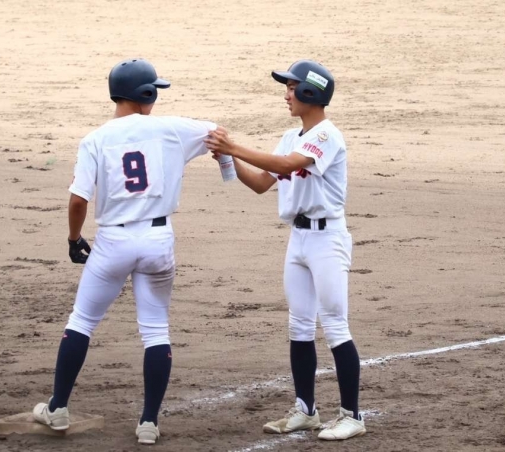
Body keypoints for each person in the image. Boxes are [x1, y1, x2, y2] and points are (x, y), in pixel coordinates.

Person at [31, 58, 217, 445]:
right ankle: (148, 423)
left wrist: (74, 239)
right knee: (155, 329)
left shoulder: (95, 139)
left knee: (82, 322)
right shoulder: (172, 129)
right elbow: (218, 133)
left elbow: (79, 200)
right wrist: (228, 163)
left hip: (113, 242)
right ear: (146, 94)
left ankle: (58, 408)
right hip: (157, 240)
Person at [205, 60, 366, 441]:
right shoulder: (291, 136)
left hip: (327, 239)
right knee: (299, 325)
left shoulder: (327, 135)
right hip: (299, 239)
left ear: (311, 92)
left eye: (292, 88)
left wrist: (234, 146)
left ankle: (352, 416)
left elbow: (286, 164)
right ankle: (306, 411)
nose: (286, 95)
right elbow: (262, 182)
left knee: (335, 325)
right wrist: (228, 158)